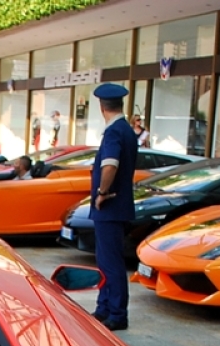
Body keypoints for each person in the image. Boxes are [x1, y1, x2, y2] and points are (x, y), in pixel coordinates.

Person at [89, 82, 138, 332]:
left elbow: (110, 165)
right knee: (107, 260)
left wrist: (102, 192)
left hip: (110, 205)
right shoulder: (125, 129)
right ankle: (105, 307)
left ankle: (116, 313)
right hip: (117, 206)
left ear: (101, 106)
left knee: (110, 262)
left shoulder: (114, 132)